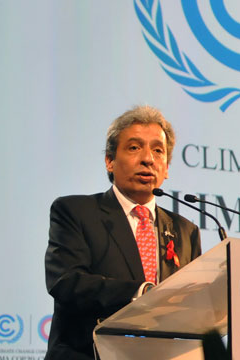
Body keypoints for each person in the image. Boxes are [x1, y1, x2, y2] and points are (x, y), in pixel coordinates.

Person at [44, 105, 201, 360]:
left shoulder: (185, 230)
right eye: (134, 147)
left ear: (167, 168)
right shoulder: (75, 211)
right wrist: (143, 293)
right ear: (109, 160)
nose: (148, 158)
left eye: (158, 150)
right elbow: (66, 282)